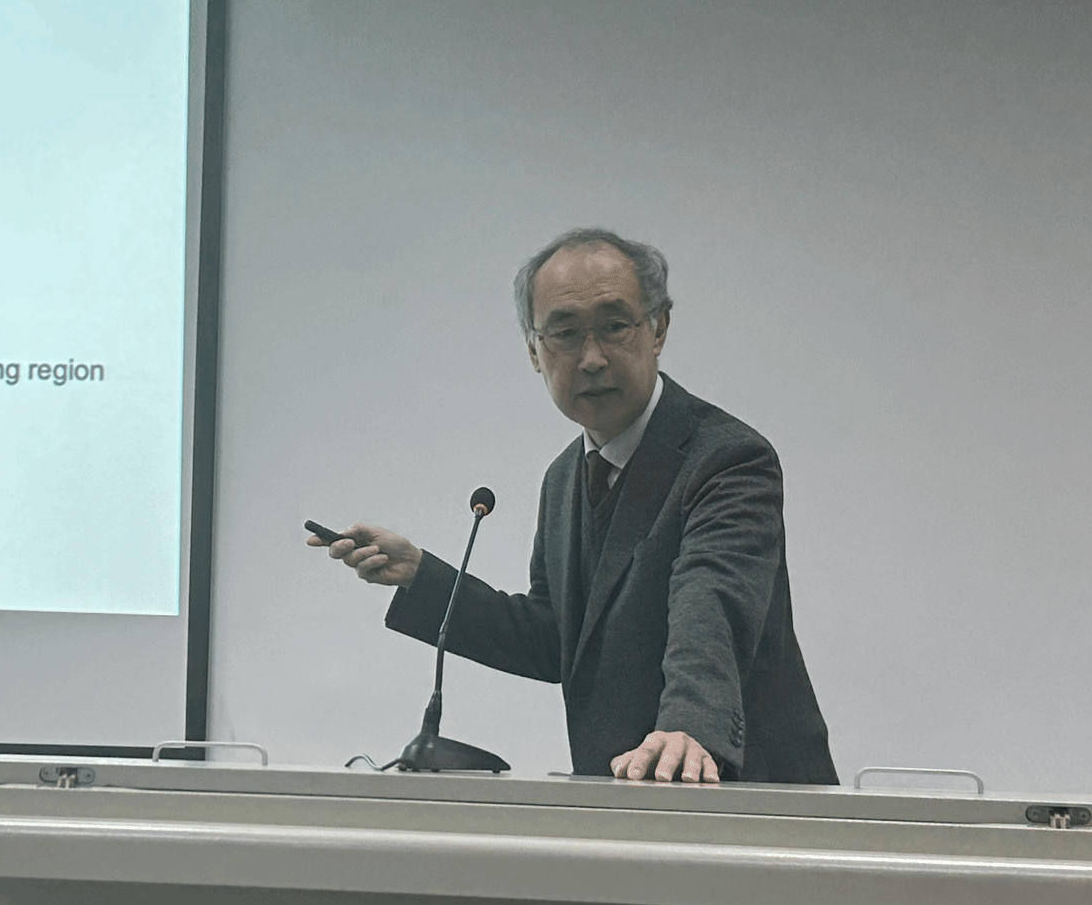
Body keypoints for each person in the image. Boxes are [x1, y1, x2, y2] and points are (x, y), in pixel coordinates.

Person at [312, 227, 837, 785]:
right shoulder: (564, 477)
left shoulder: (728, 459)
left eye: (614, 327)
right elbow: (556, 640)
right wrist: (421, 575)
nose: (591, 358)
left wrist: (689, 724)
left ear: (658, 328)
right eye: (564, 334)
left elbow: (712, 602)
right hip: (623, 794)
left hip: (750, 796)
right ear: (534, 352)